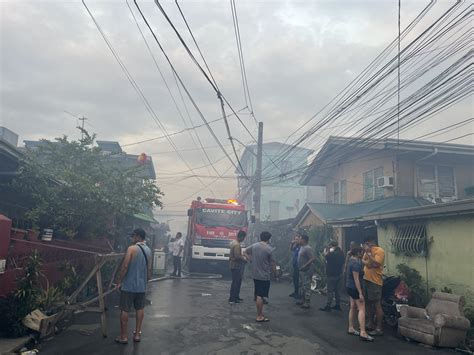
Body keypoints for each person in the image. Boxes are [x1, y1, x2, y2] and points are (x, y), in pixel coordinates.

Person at [115, 228, 152, 344]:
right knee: (140, 309)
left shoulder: (131, 249)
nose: (132, 238)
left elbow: (125, 267)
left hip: (128, 286)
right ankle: (137, 334)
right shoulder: (148, 251)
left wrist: (119, 281)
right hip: (141, 286)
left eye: (133, 236)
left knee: (124, 309)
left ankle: (124, 336)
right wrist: (146, 281)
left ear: (137, 236)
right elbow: (149, 269)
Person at [244, 231, 276, 322]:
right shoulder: (269, 249)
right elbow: (273, 263)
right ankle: (259, 316)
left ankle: (260, 313)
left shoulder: (254, 246)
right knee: (260, 296)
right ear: (269, 239)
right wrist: (275, 273)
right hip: (264, 276)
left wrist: (250, 259)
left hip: (255, 275)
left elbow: (245, 251)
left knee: (259, 294)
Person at [346, 245, 374, 342]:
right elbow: (356, 279)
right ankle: (363, 332)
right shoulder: (356, 264)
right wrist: (360, 293)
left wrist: (369, 254)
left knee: (353, 306)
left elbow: (369, 263)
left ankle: (351, 328)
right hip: (355, 288)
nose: (363, 254)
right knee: (362, 308)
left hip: (349, 287)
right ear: (358, 253)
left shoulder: (351, 260)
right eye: (362, 252)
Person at [362, 236, 385, 336]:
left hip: (375, 282)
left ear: (371, 242)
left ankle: (379, 328)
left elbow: (376, 263)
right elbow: (364, 261)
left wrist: (370, 256)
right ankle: (370, 323)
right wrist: (368, 261)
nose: (365, 246)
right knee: (367, 303)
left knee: (376, 304)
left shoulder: (379, 251)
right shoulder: (367, 252)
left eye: (366, 244)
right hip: (366, 279)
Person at [320, 240, 345, 312]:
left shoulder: (331, 254)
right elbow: (343, 262)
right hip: (339, 274)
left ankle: (328, 306)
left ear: (332, 246)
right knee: (338, 291)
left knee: (330, 291)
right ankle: (337, 305)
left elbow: (325, 256)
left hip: (331, 275)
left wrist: (327, 250)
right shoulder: (341, 253)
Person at [296, 234, 316, 309]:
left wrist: (305, 265)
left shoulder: (308, 248)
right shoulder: (302, 247)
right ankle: (303, 300)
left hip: (307, 270)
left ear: (304, 240)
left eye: (300, 239)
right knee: (302, 285)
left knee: (306, 285)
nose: (299, 240)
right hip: (301, 270)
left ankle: (307, 302)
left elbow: (313, 258)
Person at [228, 230, 247, 304]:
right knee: (236, 282)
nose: (244, 239)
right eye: (244, 238)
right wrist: (244, 259)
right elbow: (237, 256)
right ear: (241, 237)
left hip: (234, 265)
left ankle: (236, 297)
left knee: (237, 282)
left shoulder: (233, 242)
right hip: (236, 266)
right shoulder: (237, 245)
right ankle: (232, 299)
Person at [289, 233, 301, 299]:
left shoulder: (301, 247)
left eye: (297, 239)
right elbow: (290, 249)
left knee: (299, 280)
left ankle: (299, 293)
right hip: (294, 265)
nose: (295, 240)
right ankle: (295, 292)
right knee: (295, 279)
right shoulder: (295, 246)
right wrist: (292, 243)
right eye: (295, 239)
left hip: (299, 265)